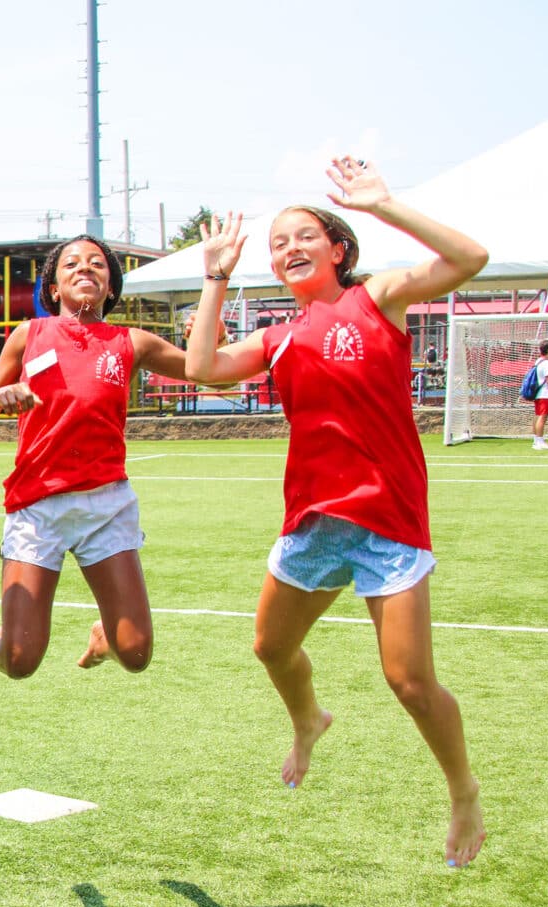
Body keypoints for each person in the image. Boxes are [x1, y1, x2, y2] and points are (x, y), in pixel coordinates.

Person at [184, 157, 489, 867]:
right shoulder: (278, 336)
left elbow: (470, 257)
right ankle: (308, 719)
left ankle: (463, 788)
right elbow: (200, 366)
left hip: (387, 522)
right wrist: (216, 276)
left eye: (303, 238)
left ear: (338, 249)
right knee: (270, 648)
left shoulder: (379, 297)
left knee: (409, 682)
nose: (287, 249)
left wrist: (385, 204)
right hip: (314, 525)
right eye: (277, 244)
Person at [0, 233, 211, 682]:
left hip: (106, 505)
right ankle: (3, 639)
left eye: (97, 264)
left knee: (136, 655)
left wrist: (209, 335)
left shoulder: (132, 341)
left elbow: (209, 373)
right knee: (19, 662)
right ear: (54, 288)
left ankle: (106, 638)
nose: (85, 269)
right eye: (72, 264)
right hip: (37, 504)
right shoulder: (29, 335)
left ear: (111, 287)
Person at [531, 340, 548, 450]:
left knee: (538, 416)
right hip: (545, 394)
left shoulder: (538, 361)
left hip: (538, 393)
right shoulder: (547, 363)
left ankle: (536, 440)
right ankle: (540, 441)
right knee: (542, 417)